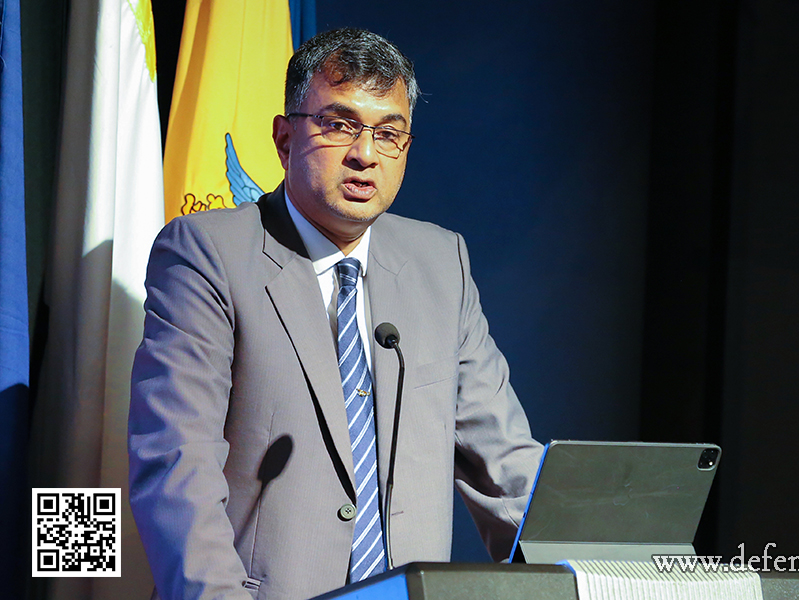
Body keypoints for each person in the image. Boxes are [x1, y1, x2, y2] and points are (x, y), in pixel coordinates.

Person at [129, 28, 543, 600]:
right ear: (283, 137)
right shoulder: (207, 254)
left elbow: (504, 461)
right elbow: (179, 467)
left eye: (389, 133)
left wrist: (595, 570)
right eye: (340, 124)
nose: (365, 154)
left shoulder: (440, 262)